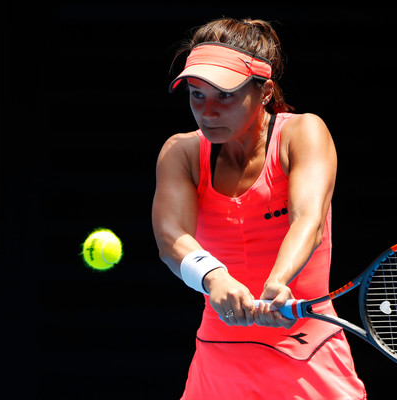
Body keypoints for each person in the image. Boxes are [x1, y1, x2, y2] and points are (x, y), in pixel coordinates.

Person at [152, 18, 366, 399]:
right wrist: (214, 278)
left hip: (308, 359)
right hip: (218, 368)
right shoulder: (181, 152)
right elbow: (171, 239)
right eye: (197, 95)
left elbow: (309, 222)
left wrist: (277, 282)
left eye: (225, 95)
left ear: (265, 91)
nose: (208, 111)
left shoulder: (303, 133)